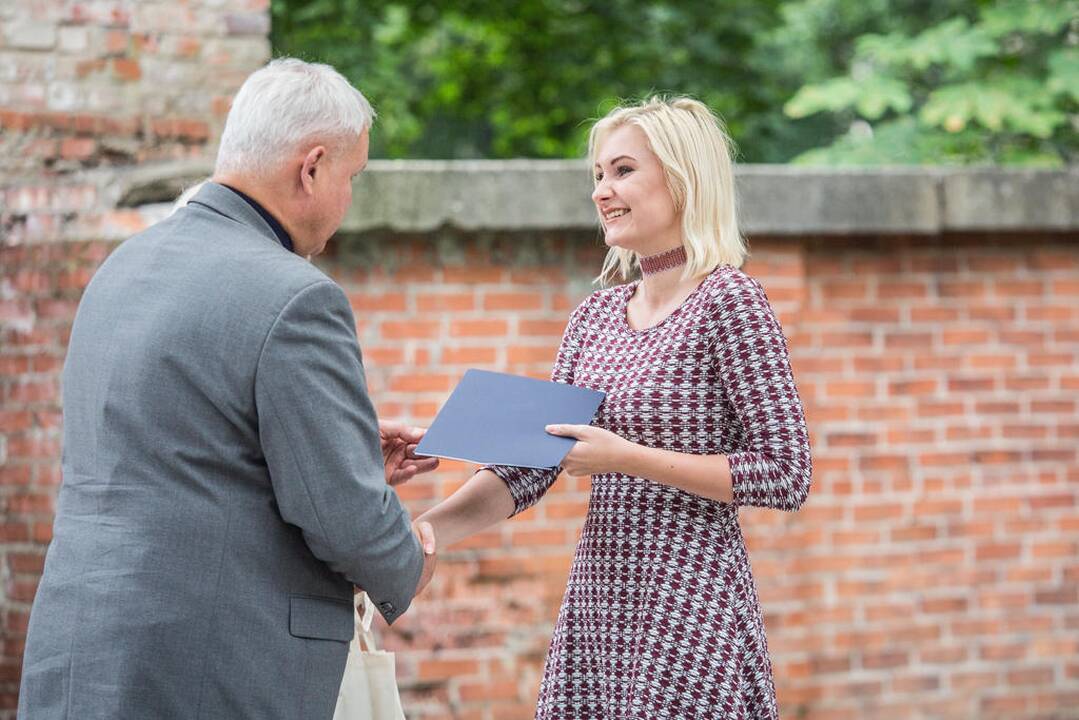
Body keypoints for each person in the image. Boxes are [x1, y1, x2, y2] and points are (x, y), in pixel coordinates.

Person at [18, 58, 438, 720]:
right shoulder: (297, 296)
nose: (347, 200)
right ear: (311, 168)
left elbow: (183, 446)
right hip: (209, 669)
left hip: (80, 653)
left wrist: (342, 443)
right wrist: (410, 559)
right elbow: (344, 518)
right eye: (351, 177)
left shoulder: (122, 267)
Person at [418, 97, 811, 719]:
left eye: (623, 171)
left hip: (689, 605)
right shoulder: (594, 316)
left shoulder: (729, 302)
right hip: (601, 605)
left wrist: (626, 458)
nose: (603, 191)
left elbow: (786, 472)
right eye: (598, 175)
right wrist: (423, 535)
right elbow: (531, 465)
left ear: (681, 180)